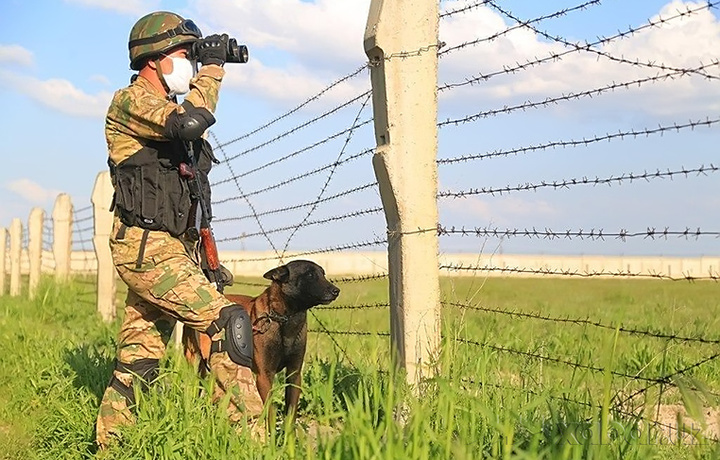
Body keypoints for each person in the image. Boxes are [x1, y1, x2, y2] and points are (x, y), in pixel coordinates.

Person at [96, 11, 262, 449]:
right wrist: (213, 70)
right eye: (184, 54)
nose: (190, 62)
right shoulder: (130, 102)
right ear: (153, 59)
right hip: (147, 249)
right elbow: (190, 121)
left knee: (141, 358)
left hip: (174, 247)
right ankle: (250, 442)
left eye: (194, 55)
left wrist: (205, 256)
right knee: (229, 322)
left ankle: (112, 443)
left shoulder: (168, 110)